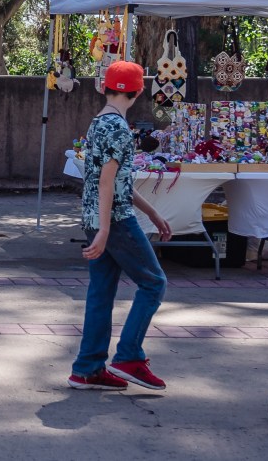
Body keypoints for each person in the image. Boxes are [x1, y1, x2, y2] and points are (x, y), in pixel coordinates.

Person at [68, 60, 174, 391]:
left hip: (96, 217)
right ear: (139, 90)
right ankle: (128, 355)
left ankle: (87, 368)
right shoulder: (118, 129)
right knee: (154, 284)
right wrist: (104, 230)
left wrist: (153, 213)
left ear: (105, 88)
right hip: (112, 220)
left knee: (101, 292)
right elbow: (106, 183)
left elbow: (115, 183)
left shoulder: (100, 123)